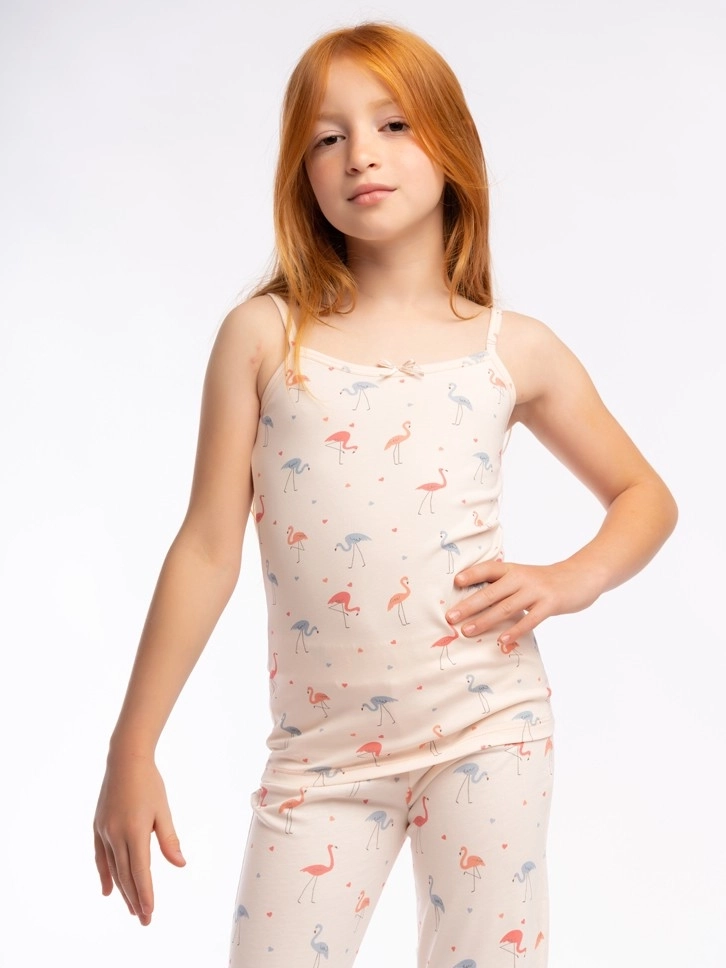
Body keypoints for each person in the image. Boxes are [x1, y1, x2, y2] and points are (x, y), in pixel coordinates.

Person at [93, 22, 677, 968]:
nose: (360, 153)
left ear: (452, 142)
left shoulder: (513, 349)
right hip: (320, 758)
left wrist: (573, 578)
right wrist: (133, 745)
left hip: (488, 726)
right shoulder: (266, 337)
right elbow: (206, 547)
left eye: (394, 124)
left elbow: (644, 493)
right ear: (302, 174)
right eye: (327, 137)